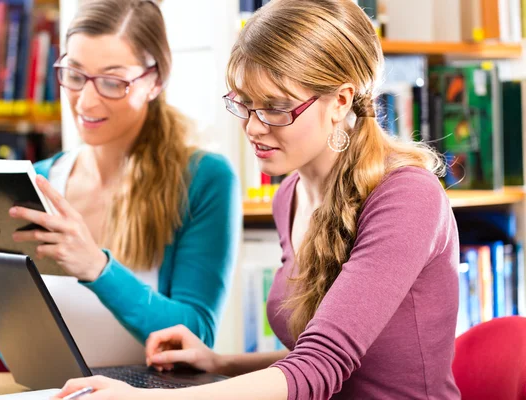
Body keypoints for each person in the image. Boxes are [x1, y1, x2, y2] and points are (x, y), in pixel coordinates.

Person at [52, 0, 462, 399]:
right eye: (244, 104)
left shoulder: (407, 197)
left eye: (276, 108)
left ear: (339, 101)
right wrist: (219, 363)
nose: (253, 127)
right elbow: (321, 357)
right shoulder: (291, 195)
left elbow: (322, 367)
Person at [0, 0, 241, 373]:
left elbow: (197, 339)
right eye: (74, 75)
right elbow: (19, 354)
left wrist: (97, 268)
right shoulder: (38, 181)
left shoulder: (204, 179)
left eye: (112, 82)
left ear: (156, 80)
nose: (86, 101)